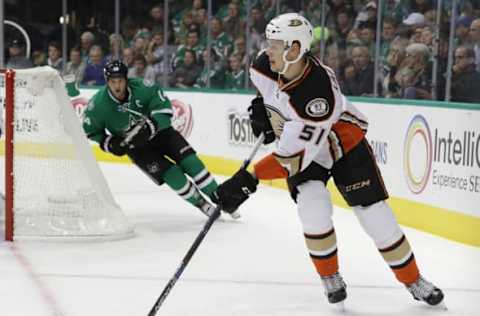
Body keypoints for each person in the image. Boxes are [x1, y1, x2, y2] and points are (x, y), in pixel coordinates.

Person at [213, 13, 444, 307]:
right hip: (305, 145)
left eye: (275, 44)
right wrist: (264, 110)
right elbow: (272, 95)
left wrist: (248, 179)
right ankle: (330, 276)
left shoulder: (316, 96)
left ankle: (414, 280)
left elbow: (291, 160)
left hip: (343, 144)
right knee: (313, 207)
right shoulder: (264, 64)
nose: (266, 49)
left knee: (377, 217)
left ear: (294, 49)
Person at [82, 60, 237, 219]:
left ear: (126, 79)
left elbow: (164, 108)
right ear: (107, 82)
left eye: (120, 80)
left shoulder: (144, 87)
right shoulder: (97, 105)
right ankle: (202, 205)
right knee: (172, 175)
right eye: (113, 81)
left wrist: (152, 125)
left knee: (192, 162)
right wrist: (110, 144)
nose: (117, 86)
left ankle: (222, 199)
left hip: (162, 134)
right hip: (138, 149)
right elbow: (91, 131)